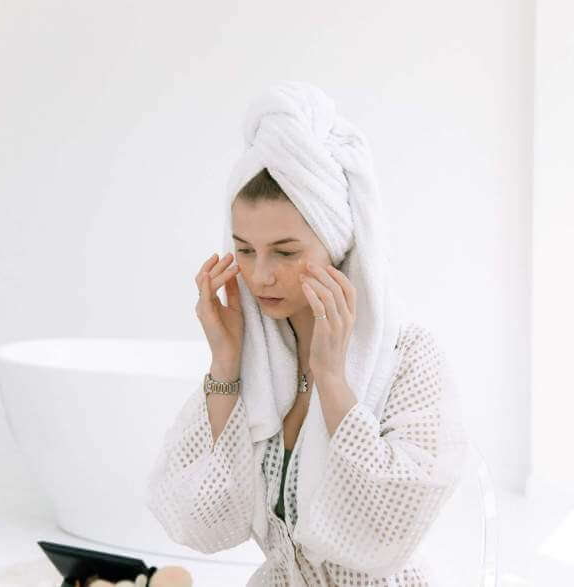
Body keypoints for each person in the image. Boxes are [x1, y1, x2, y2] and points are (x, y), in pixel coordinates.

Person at [146, 82, 469, 586]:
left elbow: (391, 524)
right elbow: (197, 516)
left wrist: (333, 379)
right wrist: (225, 364)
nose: (260, 276)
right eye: (245, 250)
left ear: (335, 245)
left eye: (286, 251)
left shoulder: (408, 355)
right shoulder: (257, 357)